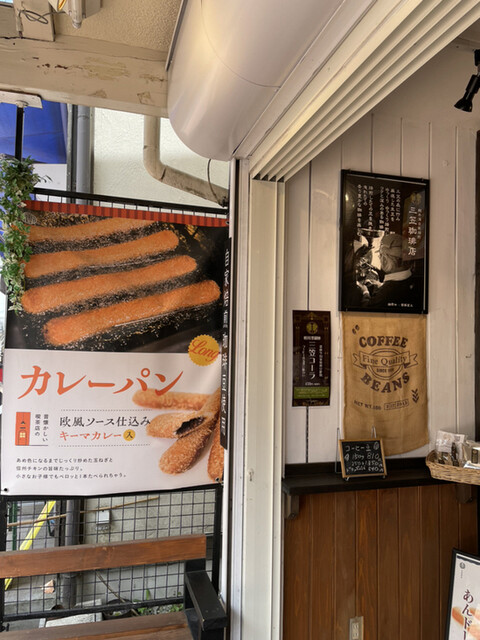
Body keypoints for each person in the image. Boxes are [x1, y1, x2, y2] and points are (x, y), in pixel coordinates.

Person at [360, 233, 423, 310]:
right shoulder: (416, 279)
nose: (380, 258)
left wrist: (365, 291)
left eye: (381, 255)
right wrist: (381, 285)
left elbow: (367, 308)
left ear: (385, 260)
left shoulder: (386, 293)